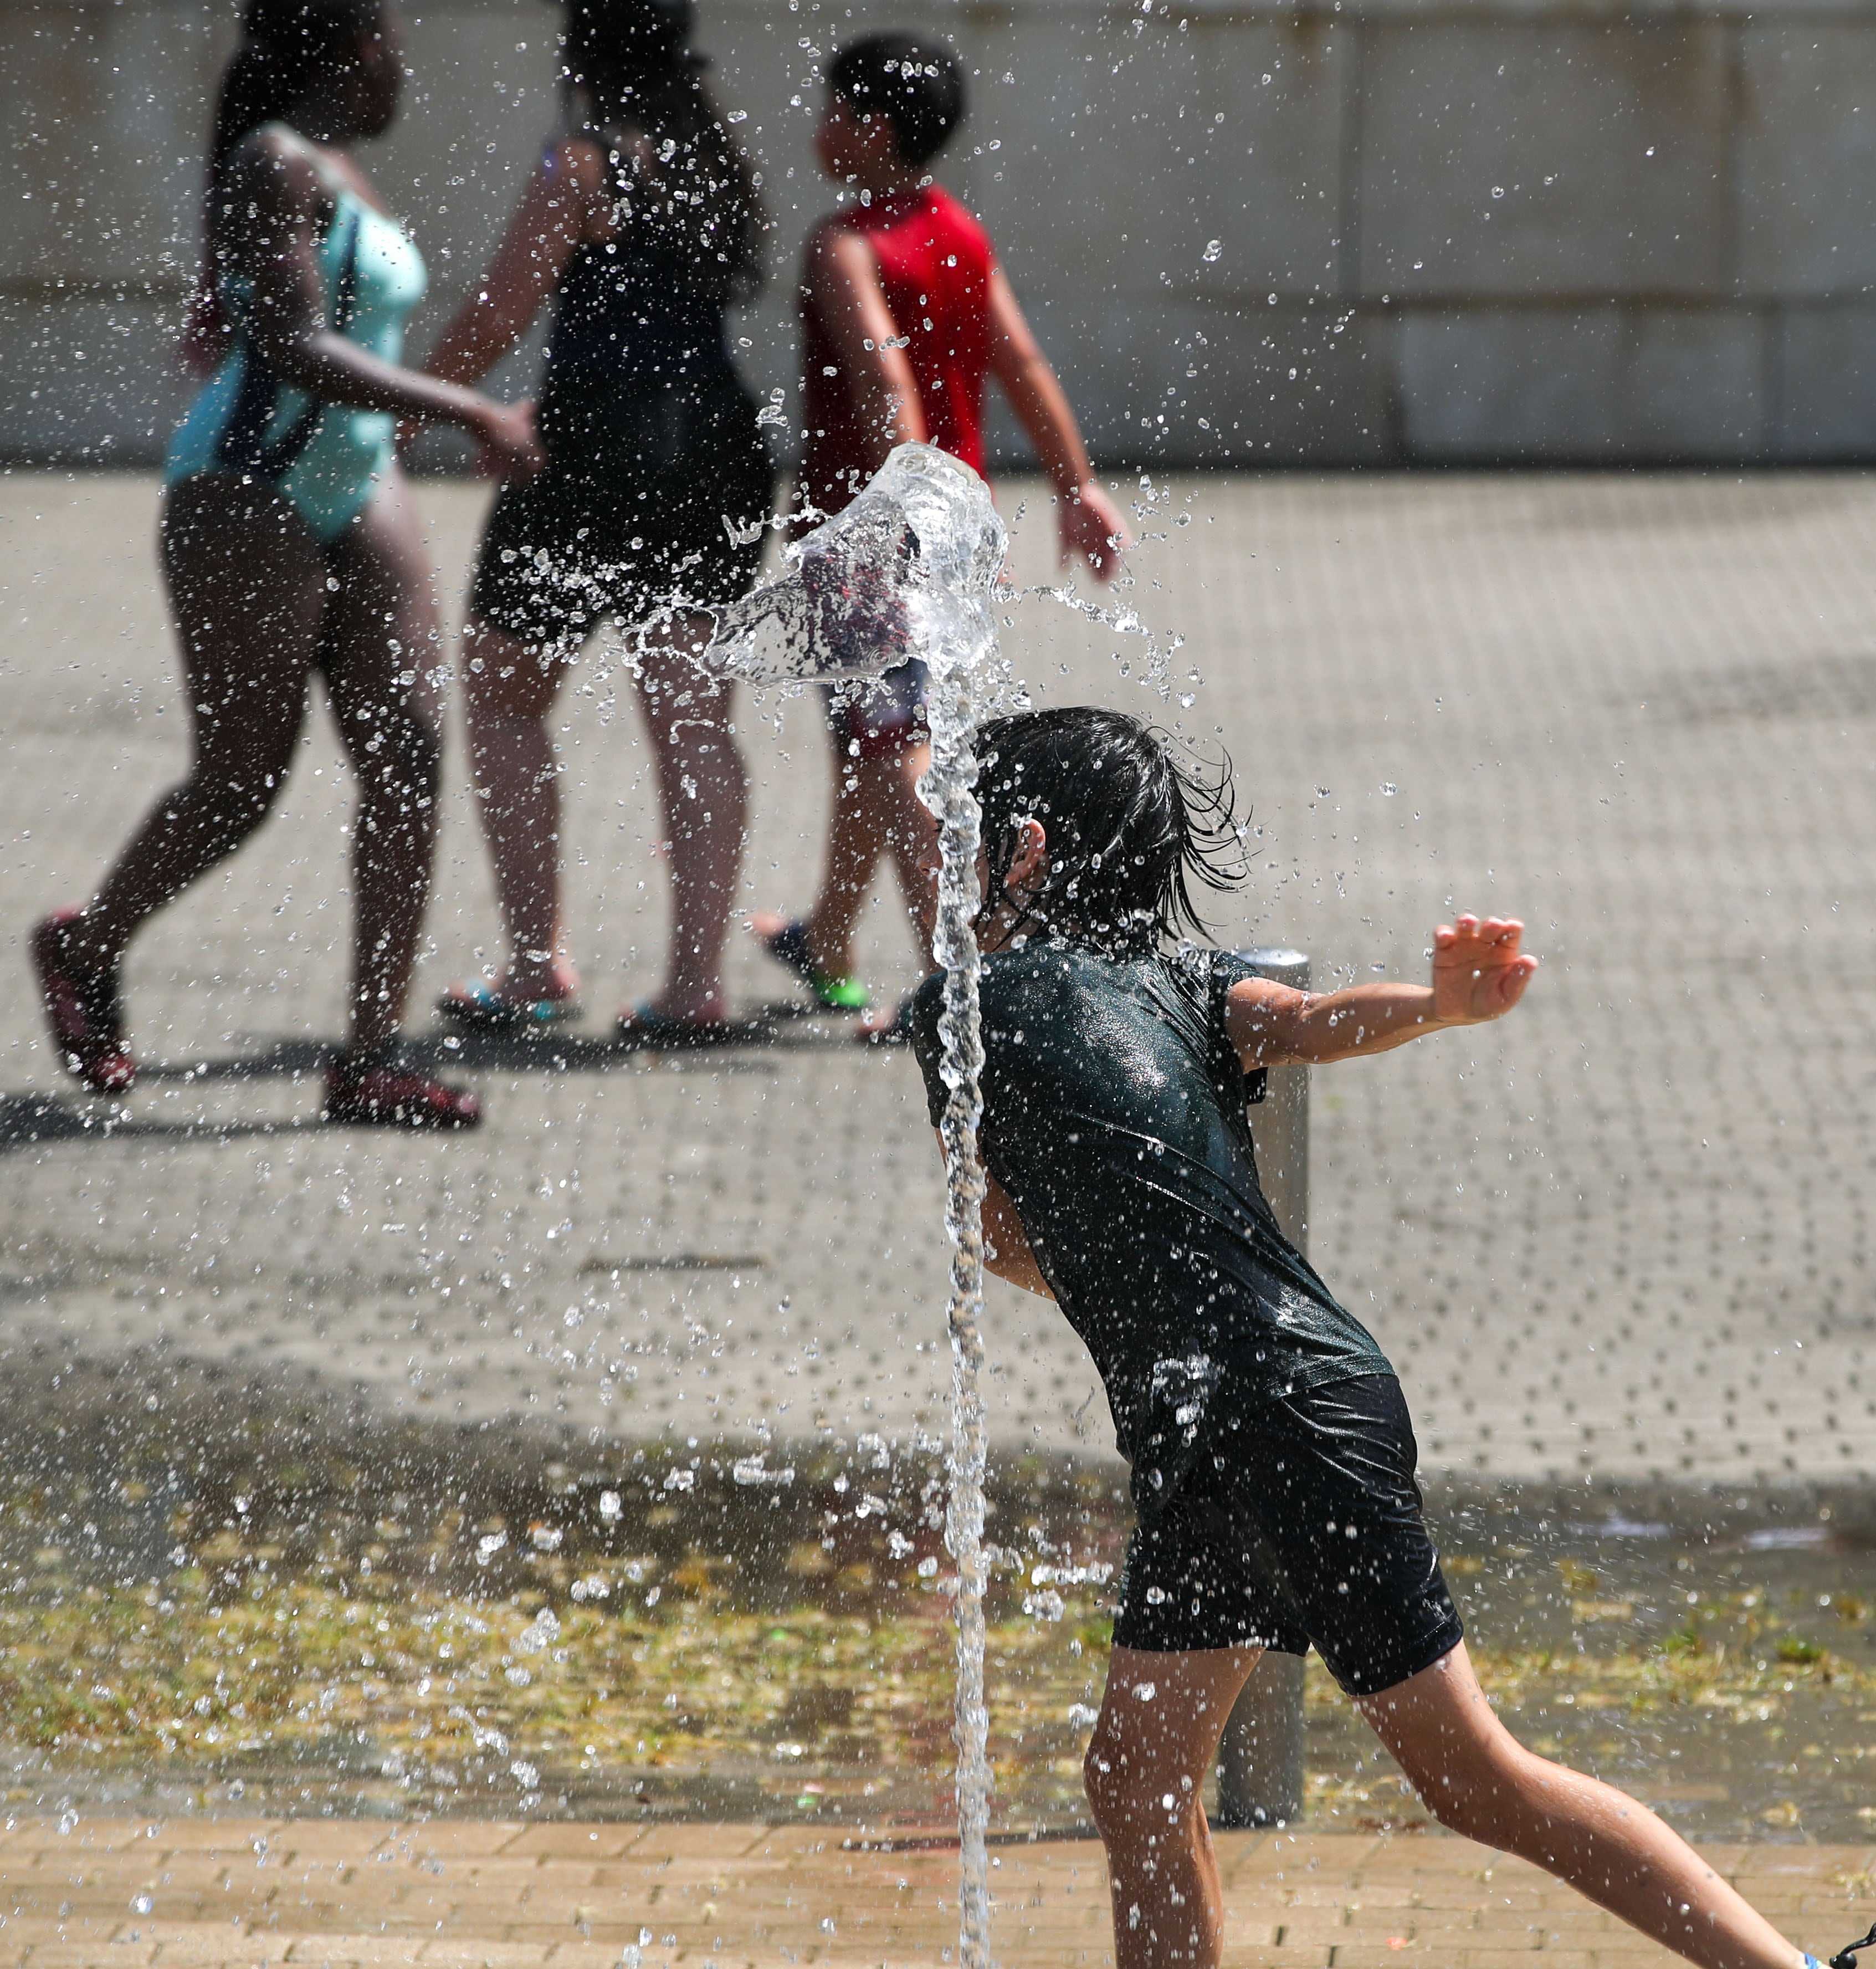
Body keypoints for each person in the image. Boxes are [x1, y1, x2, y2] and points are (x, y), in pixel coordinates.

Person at [909, 705, 1844, 1969]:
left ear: (1019, 852)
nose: (932, 862)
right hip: (1232, 1416)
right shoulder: (1186, 987)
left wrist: (1429, 1008)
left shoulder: (970, 1008)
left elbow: (1011, 1241)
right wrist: (1438, 1007)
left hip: (1277, 1409)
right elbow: (1303, 1020)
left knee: (1475, 1781)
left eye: (950, 834)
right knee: (1133, 1777)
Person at [32, 0, 544, 1127]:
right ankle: (87, 944)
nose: (407, 66)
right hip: (248, 489)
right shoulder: (276, 161)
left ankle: (370, 1057)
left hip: (358, 486)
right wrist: (468, 410)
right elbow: (292, 346)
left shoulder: (343, 169)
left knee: (408, 761)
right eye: (399, 44)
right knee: (241, 781)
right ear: (359, 49)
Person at [749, 33, 1127, 1038]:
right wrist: (1076, 487)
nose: (815, 126)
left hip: (877, 535)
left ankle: (952, 986)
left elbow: (884, 384)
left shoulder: (842, 245)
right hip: (960, 531)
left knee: (898, 754)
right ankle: (828, 940)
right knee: (877, 742)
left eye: (829, 108)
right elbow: (1023, 360)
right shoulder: (960, 231)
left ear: (870, 128)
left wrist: (891, 522)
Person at [422, 0, 771, 1042]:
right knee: (694, 716)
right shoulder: (711, 156)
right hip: (709, 445)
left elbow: (498, 310)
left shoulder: (580, 162)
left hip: (592, 455)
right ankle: (697, 985)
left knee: (499, 690)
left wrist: (413, 405)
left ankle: (536, 963)